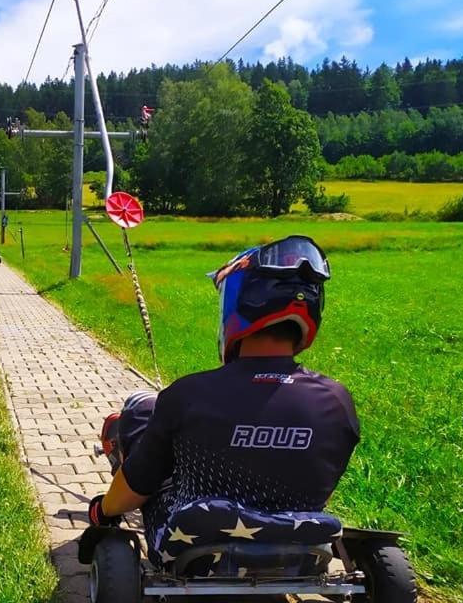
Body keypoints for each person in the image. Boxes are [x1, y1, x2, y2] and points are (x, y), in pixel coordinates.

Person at [80, 235, 360, 564]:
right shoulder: (337, 401)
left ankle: (119, 457)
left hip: (188, 546)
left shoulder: (188, 395)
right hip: (294, 547)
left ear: (238, 303)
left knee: (141, 408)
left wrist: (104, 509)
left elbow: (139, 486)